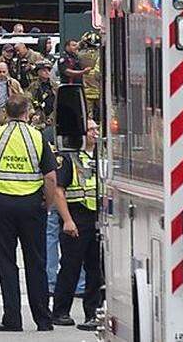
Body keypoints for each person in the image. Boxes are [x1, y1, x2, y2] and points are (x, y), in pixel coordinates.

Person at [0, 95, 77, 332]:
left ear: (6, 112)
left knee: (6, 262)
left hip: (1, 205)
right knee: (36, 262)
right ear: (27, 112)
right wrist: (47, 203)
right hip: (32, 206)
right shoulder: (37, 137)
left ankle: (12, 319)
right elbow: (51, 177)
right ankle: (43, 319)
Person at [52, 120, 103, 331]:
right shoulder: (68, 157)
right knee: (70, 267)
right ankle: (60, 312)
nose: (95, 133)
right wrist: (67, 220)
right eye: (91, 130)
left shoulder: (103, 156)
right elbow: (58, 191)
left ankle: (93, 312)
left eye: (96, 129)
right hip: (76, 216)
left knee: (96, 269)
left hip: (99, 218)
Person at [28, 61, 58, 125]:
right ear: (38, 72)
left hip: (54, 118)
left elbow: (60, 102)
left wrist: (52, 117)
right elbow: (28, 101)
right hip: (38, 118)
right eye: (44, 70)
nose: (47, 72)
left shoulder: (55, 86)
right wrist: (33, 114)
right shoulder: (33, 86)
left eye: (48, 70)